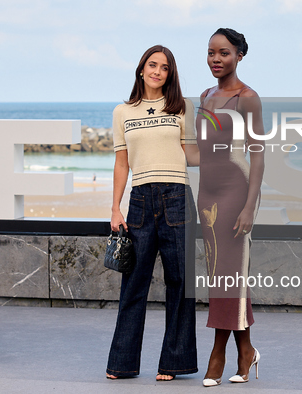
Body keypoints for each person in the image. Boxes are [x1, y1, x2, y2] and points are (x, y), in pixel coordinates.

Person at [106, 45, 198, 381]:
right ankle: (122, 364)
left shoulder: (182, 107)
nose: (158, 71)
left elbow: (192, 156)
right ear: (141, 69)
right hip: (141, 201)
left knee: (181, 282)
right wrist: (115, 207)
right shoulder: (122, 112)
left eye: (164, 68)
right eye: (152, 65)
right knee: (133, 284)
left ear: (170, 74)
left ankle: (174, 364)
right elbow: (121, 162)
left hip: (177, 197)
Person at [196, 28, 265, 386]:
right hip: (205, 195)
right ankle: (247, 350)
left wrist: (250, 206)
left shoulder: (247, 98)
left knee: (226, 274)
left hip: (236, 193)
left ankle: (217, 355)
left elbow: (257, 155)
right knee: (225, 274)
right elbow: (198, 152)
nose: (216, 59)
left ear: (239, 55)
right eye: (211, 53)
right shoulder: (205, 97)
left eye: (223, 53)